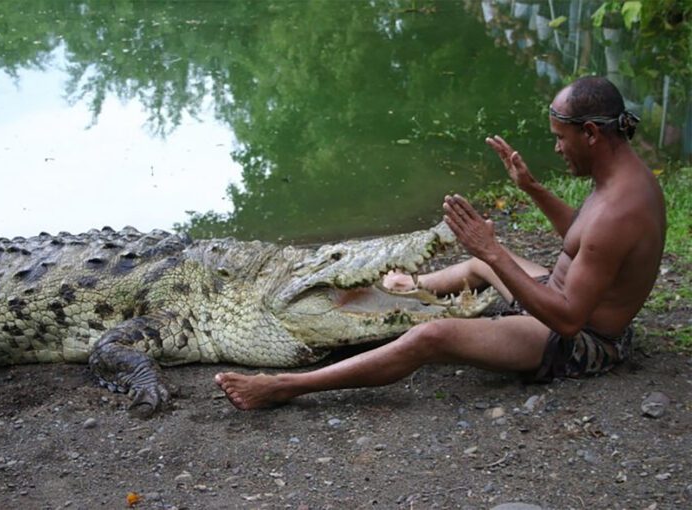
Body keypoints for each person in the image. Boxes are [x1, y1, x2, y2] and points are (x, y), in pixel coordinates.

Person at [215, 76, 666, 410]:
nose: (557, 149)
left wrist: (490, 250)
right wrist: (531, 188)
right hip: (561, 300)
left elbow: (568, 321)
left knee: (431, 336)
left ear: (590, 133)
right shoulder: (616, 176)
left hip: (578, 338)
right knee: (482, 266)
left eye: (560, 139)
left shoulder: (621, 211)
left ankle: (286, 387)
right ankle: (407, 287)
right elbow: (579, 238)